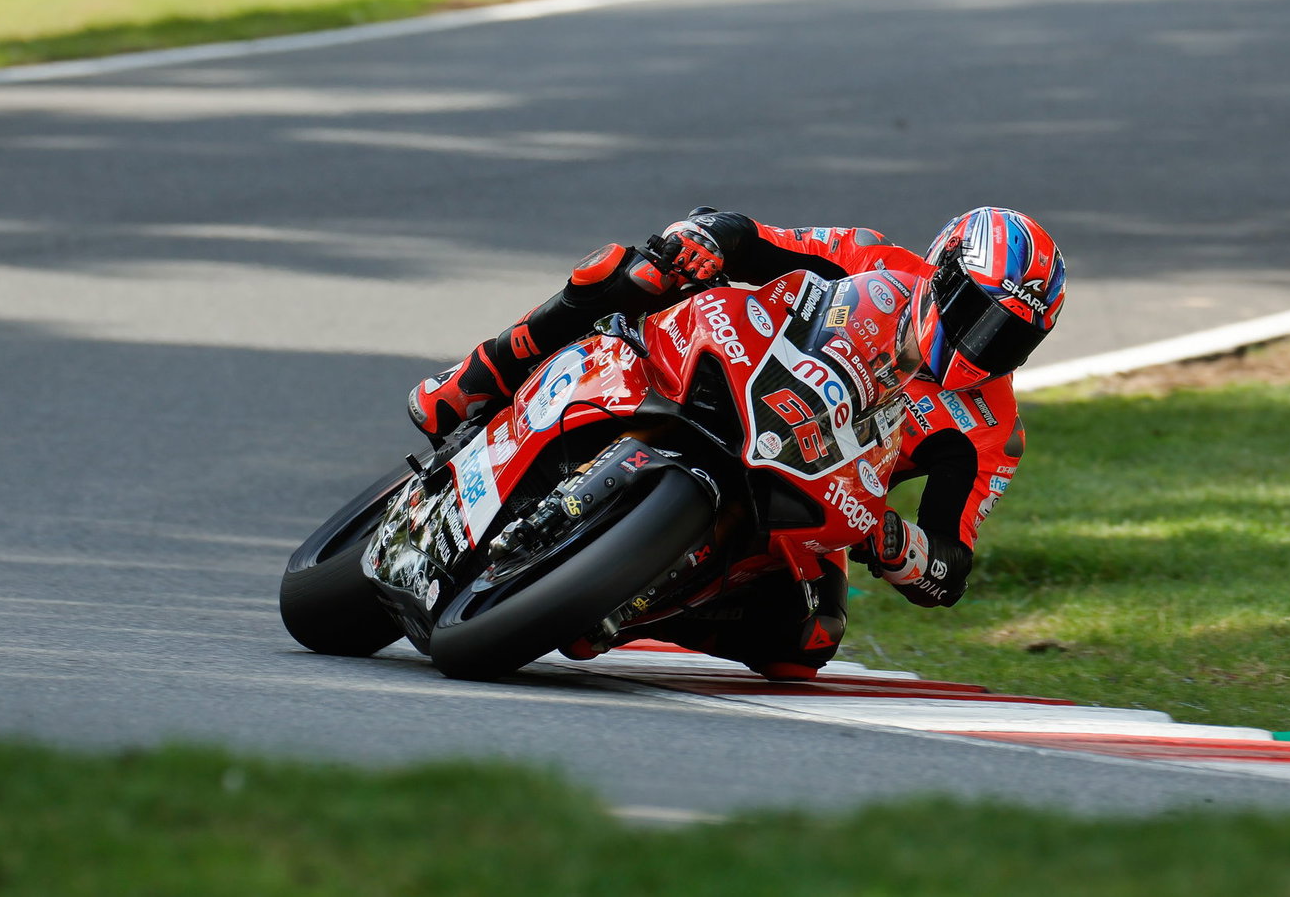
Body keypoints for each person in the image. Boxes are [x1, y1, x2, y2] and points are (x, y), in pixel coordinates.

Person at [408, 207, 1067, 680]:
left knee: (807, 643)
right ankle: (474, 378)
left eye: (1008, 337)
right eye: (975, 314)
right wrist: (706, 239)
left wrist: (897, 545)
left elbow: (949, 563)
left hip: (810, 488)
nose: (981, 345)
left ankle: (616, 602)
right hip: (739, 374)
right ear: (942, 271)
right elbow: (757, 241)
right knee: (635, 273)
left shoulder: (991, 429)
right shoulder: (874, 258)